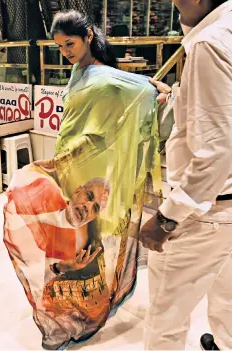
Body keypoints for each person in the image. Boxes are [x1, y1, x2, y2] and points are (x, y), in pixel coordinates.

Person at [4, 10, 161, 350]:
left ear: (89, 36)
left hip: (86, 167)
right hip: (67, 166)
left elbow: (146, 90)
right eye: (60, 46)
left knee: (89, 239)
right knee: (58, 237)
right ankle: (61, 305)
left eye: (70, 43)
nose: (66, 52)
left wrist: (158, 87)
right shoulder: (78, 71)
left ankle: (86, 306)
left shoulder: (105, 76)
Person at [140, 0, 232, 350]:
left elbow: (217, 150)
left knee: (165, 320)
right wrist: (180, 96)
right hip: (223, 206)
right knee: (228, 302)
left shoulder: (210, 42)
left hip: (208, 210)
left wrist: (167, 218)